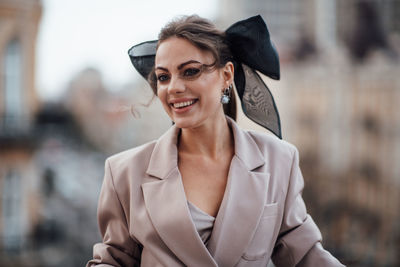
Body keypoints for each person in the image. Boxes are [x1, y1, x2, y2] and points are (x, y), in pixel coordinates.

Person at [87, 15, 344, 267]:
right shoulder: (124, 173)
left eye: (190, 72)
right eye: (163, 77)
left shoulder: (279, 160)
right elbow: (113, 260)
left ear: (227, 75)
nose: (173, 87)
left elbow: (305, 256)